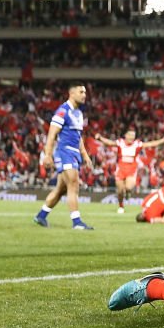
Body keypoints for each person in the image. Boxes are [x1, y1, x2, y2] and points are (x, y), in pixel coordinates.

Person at [34, 82, 95, 230]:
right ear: (72, 93)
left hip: (74, 153)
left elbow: (78, 136)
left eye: (85, 92)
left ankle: (41, 216)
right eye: (81, 92)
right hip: (64, 152)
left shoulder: (79, 113)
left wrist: (85, 155)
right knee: (74, 184)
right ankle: (77, 222)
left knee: (61, 189)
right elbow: (51, 134)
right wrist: (48, 155)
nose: (84, 95)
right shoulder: (63, 111)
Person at [95, 129, 164, 213]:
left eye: (133, 135)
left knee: (128, 187)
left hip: (132, 169)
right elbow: (110, 143)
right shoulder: (120, 143)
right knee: (120, 190)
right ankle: (121, 206)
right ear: (125, 135)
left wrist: (162, 140)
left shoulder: (137, 144)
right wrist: (100, 138)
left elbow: (150, 144)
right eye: (130, 135)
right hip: (121, 168)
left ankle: (128, 193)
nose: (131, 137)